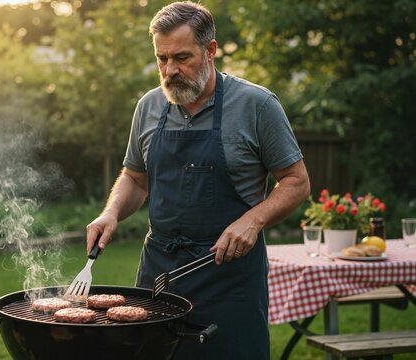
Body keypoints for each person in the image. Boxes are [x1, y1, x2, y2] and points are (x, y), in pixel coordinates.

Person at [85, 1, 310, 359]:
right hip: (160, 274)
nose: (170, 70)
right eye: (162, 59)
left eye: (182, 58)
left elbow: (296, 181)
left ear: (211, 50)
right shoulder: (148, 106)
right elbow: (135, 178)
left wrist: (253, 220)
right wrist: (110, 213)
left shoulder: (257, 105)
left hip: (228, 277)